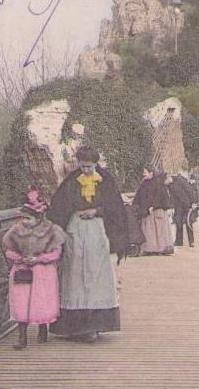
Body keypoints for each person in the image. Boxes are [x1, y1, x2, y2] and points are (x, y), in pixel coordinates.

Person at [46, 146, 129, 343]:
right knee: (74, 274)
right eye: (82, 167)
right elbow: (58, 206)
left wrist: (97, 211)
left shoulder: (106, 179)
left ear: (96, 163)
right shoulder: (71, 181)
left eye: (89, 167)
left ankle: (95, 325)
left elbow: (115, 207)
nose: (86, 171)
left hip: (97, 232)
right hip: (75, 231)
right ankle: (74, 327)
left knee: (96, 274)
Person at [2, 189, 67, 349]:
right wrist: (19, 258)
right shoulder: (16, 231)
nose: (25, 221)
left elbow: (56, 252)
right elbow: (8, 250)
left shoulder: (52, 230)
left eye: (29, 218)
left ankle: (42, 328)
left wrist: (39, 259)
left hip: (42, 271)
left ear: (39, 217)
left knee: (41, 300)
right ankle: (22, 336)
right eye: (23, 218)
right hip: (22, 269)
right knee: (20, 302)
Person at [133, 168, 174, 255]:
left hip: (153, 210)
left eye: (145, 172)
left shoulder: (153, 184)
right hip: (151, 209)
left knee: (153, 230)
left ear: (151, 173)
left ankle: (155, 249)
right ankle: (157, 249)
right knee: (156, 230)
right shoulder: (147, 183)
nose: (144, 174)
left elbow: (158, 196)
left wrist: (152, 206)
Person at [169, 172, 198, 247]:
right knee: (178, 222)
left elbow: (190, 191)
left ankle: (191, 241)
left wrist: (193, 202)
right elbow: (172, 197)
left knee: (188, 222)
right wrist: (172, 206)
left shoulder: (181, 180)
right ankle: (179, 241)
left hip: (187, 204)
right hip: (178, 205)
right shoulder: (170, 184)